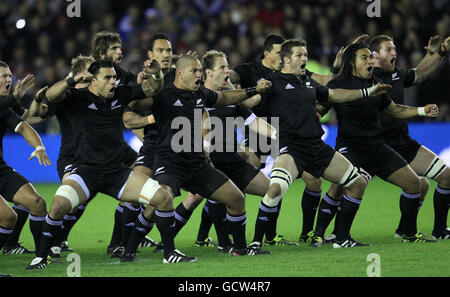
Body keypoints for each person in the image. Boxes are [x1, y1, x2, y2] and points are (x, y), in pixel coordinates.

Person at [25, 59, 193, 269]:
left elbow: (152, 88)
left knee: (163, 197)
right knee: (58, 206)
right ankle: (41, 257)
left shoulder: (121, 93)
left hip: (116, 173)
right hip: (86, 172)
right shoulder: (78, 97)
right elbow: (50, 96)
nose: (113, 81)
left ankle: (169, 253)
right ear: (93, 82)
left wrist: (157, 73)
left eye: (114, 77)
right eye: (107, 77)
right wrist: (70, 80)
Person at [122, 54, 273, 261]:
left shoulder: (201, 94)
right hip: (170, 163)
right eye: (195, 71)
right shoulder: (163, 94)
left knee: (236, 198)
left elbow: (225, 98)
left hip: (198, 165)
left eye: (201, 72)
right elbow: (134, 106)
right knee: (160, 200)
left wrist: (252, 90)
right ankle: (138, 251)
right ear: (180, 73)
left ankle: (239, 249)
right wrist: (151, 81)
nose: (199, 76)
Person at [258, 38, 392, 248]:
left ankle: (340, 238)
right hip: (291, 148)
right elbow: (248, 104)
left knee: (356, 183)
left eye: (305, 54)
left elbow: (333, 94)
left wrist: (367, 91)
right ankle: (256, 244)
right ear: (285, 60)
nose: (305, 58)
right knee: (275, 189)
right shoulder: (272, 83)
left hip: (317, 148)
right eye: (299, 55)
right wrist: (253, 90)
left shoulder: (309, 83)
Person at [313, 42, 439, 247]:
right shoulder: (338, 85)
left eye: (371, 58)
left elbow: (394, 109)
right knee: (339, 187)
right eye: (364, 58)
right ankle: (324, 236)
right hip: (350, 146)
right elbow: (319, 109)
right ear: (352, 63)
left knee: (414, 183)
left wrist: (422, 111)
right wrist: (311, 118)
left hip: (377, 146)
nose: (370, 61)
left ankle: (408, 232)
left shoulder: (377, 83)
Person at [231, 33, 321, 245]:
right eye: (280, 53)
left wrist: (338, 69)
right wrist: (230, 88)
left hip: (281, 137)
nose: (283, 57)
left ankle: (296, 234)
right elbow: (230, 77)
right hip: (256, 136)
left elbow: (320, 81)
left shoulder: (292, 74)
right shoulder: (249, 70)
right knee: (232, 186)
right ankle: (221, 236)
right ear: (267, 53)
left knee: (312, 180)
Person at [369, 34, 450, 240]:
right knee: (343, 188)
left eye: (394, 48)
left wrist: (439, 53)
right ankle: (328, 235)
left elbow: (420, 73)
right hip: (377, 148)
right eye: (389, 49)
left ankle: (438, 231)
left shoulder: (396, 74)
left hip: (403, 143)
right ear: (375, 56)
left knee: (446, 177)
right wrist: (421, 111)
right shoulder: (367, 78)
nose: (394, 53)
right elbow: (393, 110)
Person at [0, 61, 51, 257]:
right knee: (8, 217)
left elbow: (24, 125)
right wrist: (14, 97)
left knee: (37, 203)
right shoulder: (6, 104)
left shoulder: (5, 108)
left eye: (9, 76)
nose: (8, 79)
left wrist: (39, 146)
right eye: (3, 76)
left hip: (1, 170)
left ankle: (41, 257)